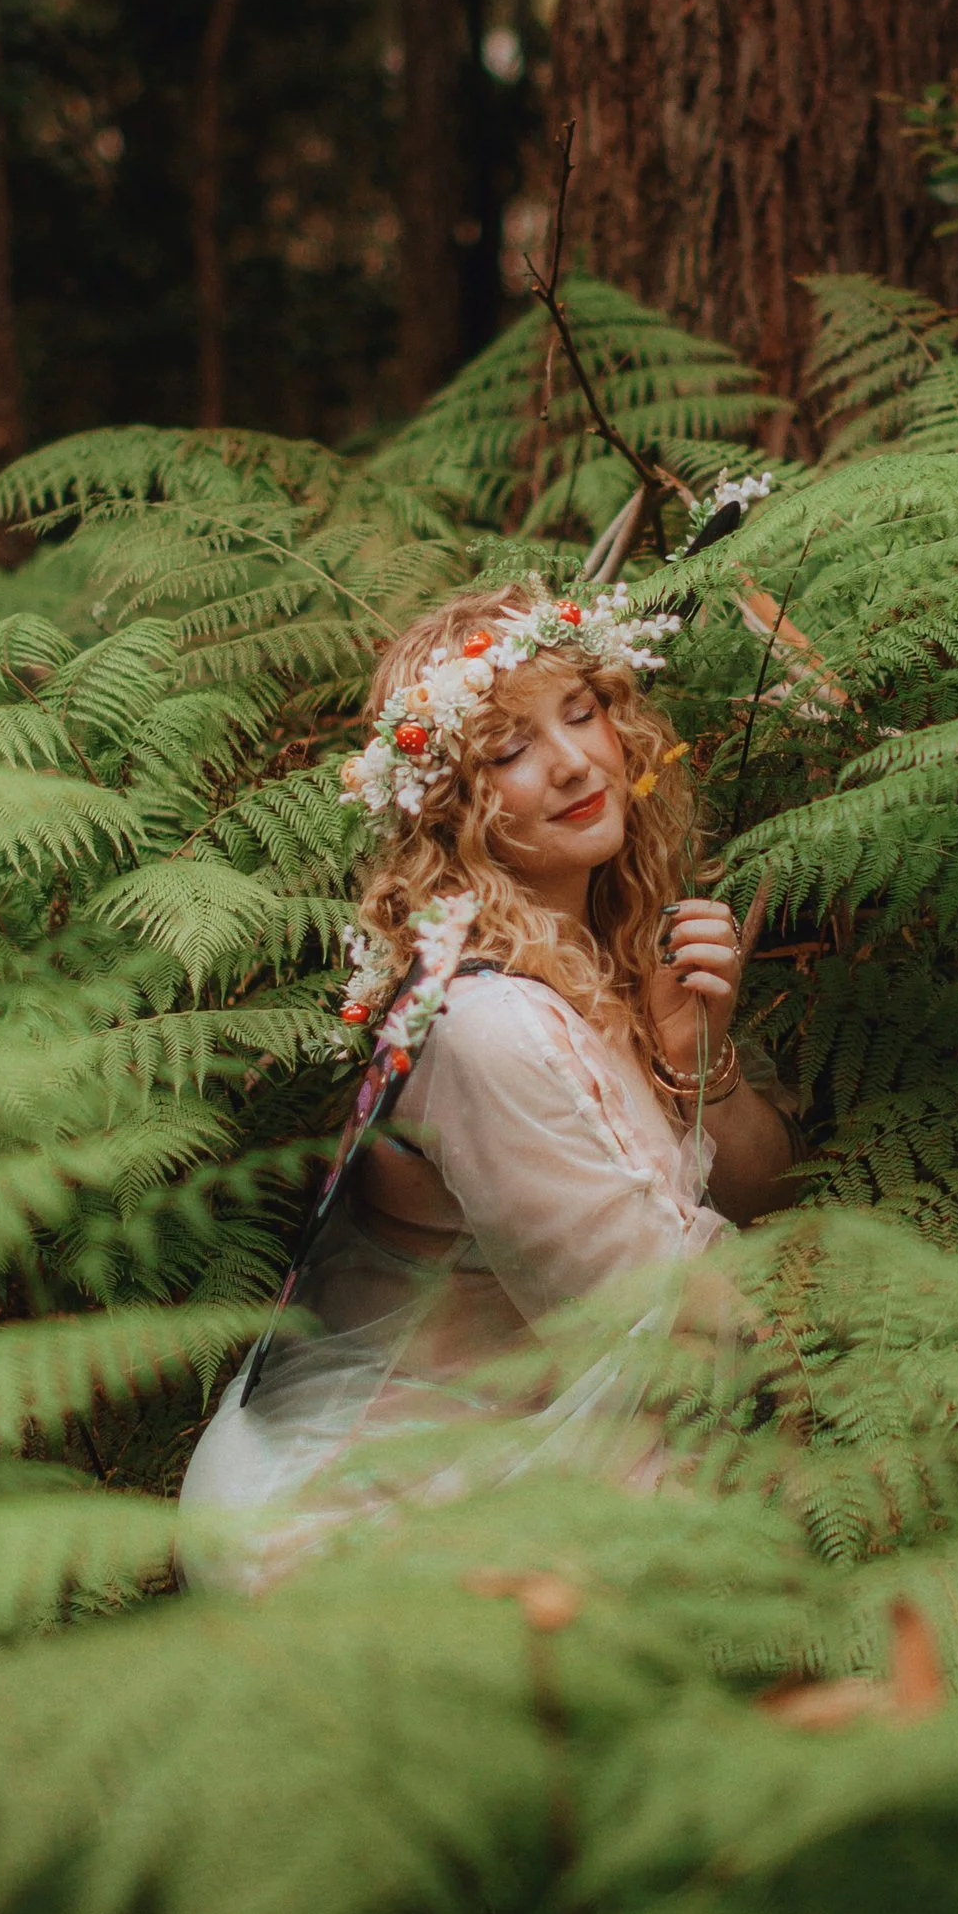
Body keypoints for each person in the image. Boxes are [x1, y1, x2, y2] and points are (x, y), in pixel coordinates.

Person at [177, 578, 793, 1584]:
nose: (569, 763)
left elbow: (763, 1195)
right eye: (508, 750)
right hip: (354, 1517)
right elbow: (675, 1323)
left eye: (581, 711)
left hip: (514, 1435)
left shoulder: (612, 949)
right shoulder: (484, 1021)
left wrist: (699, 1064)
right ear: (450, 802)